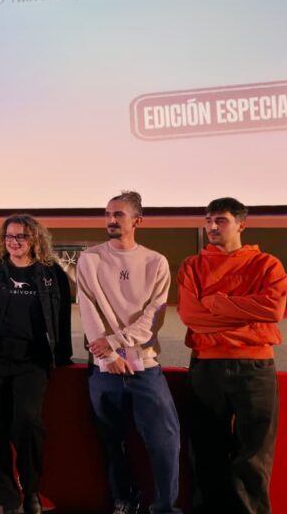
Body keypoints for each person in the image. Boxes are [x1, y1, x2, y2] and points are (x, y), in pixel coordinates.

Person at [178, 197, 287, 514]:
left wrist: (215, 302)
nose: (212, 227)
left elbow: (272, 310)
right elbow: (190, 315)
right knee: (205, 451)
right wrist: (243, 312)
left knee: (254, 454)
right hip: (206, 365)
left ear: (241, 224)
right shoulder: (192, 266)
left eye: (221, 220)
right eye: (208, 220)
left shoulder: (267, 265)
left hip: (255, 366)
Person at [77, 191, 181, 514]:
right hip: (104, 370)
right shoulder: (89, 259)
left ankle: (164, 507)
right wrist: (108, 356)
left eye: (118, 214)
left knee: (165, 443)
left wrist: (118, 341)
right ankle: (124, 500)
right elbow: (88, 311)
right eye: (107, 213)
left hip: (145, 368)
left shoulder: (156, 262)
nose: (111, 220)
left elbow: (154, 317)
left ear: (137, 220)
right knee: (112, 443)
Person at [0, 214, 72, 514]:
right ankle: (9, 497)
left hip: (32, 362)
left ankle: (32, 488)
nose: (14, 242)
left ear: (35, 239)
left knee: (27, 422)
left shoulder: (51, 274)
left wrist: (62, 356)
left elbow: (61, 317)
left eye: (21, 236)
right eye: (9, 237)